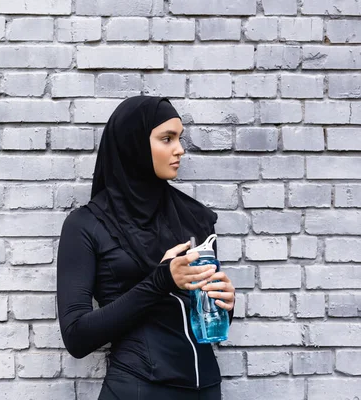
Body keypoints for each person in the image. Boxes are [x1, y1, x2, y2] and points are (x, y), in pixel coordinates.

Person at [56, 96, 236, 400]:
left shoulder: (196, 218)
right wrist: (161, 280)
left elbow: (204, 314)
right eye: (166, 139)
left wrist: (226, 302)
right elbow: (77, 336)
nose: (179, 149)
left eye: (179, 138)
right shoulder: (86, 225)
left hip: (205, 389)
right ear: (134, 144)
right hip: (138, 388)